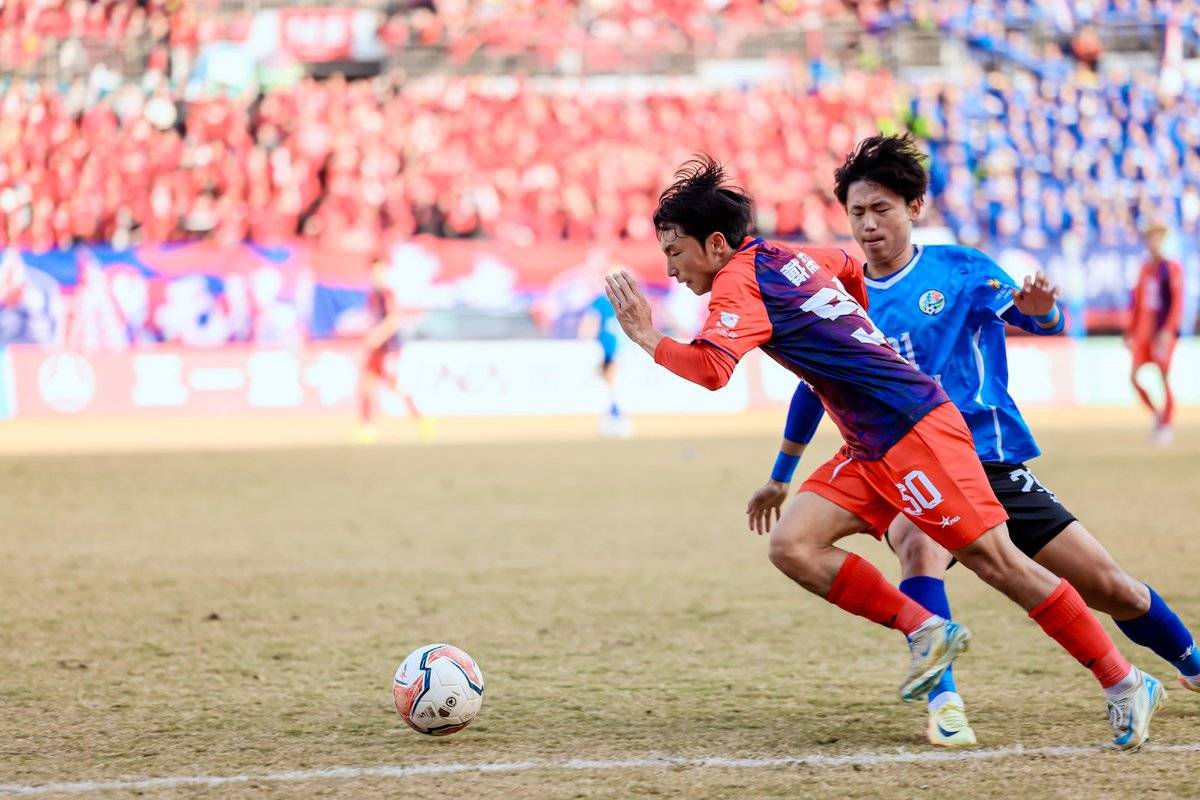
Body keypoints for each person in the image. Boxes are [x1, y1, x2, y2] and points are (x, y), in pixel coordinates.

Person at [605, 154, 1164, 751]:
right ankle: (924, 628)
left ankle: (1124, 680)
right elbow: (847, 267)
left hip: (914, 429)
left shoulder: (738, 281)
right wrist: (860, 336)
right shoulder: (786, 255)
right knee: (793, 545)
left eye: (675, 252)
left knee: (998, 563)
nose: (671, 268)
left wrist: (645, 334)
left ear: (716, 244)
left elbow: (712, 370)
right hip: (868, 440)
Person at [746, 135, 1200, 748]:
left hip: (985, 456)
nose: (869, 225)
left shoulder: (959, 268)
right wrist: (782, 472)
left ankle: (1189, 662)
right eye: (857, 213)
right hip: (894, 456)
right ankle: (946, 704)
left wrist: (1043, 312)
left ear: (914, 208)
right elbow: (816, 384)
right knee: (916, 545)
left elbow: (1035, 318)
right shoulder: (841, 296)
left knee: (1107, 585)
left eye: (881, 209)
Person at [354, 256, 424, 445]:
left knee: (395, 386)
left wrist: (377, 336)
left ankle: (420, 419)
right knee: (365, 386)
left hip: (388, 348)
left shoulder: (387, 294)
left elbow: (394, 320)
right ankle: (367, 427)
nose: (377, 275)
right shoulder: (373, 295)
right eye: (374, 271)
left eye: (381, 271)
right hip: (377, 350)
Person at [1128, 221, 1184, 445]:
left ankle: (1166, 425)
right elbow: (1137, 302)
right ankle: (1158, 417)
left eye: (1156, 238)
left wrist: (1168, 330)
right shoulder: (1144, 268)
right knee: (1134, 377)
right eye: (1149, 238)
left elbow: (1177, 302)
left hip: (1161, 333)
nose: (1152, 242)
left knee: (1164, 378)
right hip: (1143, 332)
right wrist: (1131, 331)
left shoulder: (1171, 267)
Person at [577, 284, 630, 438]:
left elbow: (589, 324)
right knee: (610, 385)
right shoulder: (612, 301)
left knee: (610, 384)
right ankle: (614, 417)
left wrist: (585, 339)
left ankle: (616, 418)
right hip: (613, 349)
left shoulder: (601, 302)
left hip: (611, 349)